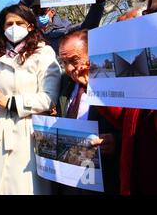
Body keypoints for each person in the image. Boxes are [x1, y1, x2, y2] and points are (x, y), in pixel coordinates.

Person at [0, 4, 61, 194]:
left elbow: (49, 98)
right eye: (8, 24)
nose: (13, 27)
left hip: (28, 134)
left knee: (24, 187)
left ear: (30, 25)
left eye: (19, 23)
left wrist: (11, 102)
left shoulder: (44, 53)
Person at [99, 0, 157, 195]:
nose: (156, 20)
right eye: (152, 13)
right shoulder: (148, 69)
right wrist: (98, 85)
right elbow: (131, 123)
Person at [58, 29, 121, 194]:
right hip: (69, 177)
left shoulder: (115, 83)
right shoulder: (64, 83)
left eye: (74, 60)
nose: (69, 68)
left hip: (105, 177)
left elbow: (132, 126)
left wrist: (116, 141)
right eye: (64, 62)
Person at [20, 0, 107, 53]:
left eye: (42, 11)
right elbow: (14, 19)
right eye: (35, 11)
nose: (39, 14)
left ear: (52, 12)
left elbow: (88, 27)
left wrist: (98, 2)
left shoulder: (66, 30)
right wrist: (27, 0)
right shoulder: (28, 33)